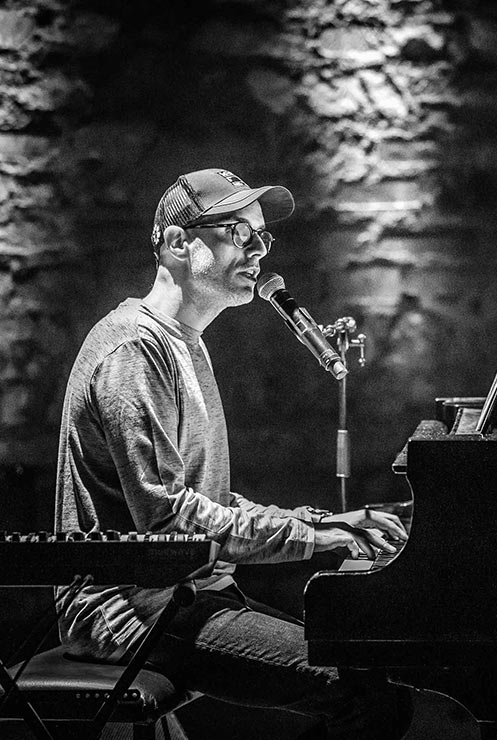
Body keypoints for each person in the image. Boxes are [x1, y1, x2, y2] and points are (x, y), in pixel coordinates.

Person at [54, 167, 412, 739]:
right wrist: (313, 537)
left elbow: (208, 501)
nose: (260, 251)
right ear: (178, 242)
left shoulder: (185, 345)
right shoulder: (133, 352)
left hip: (186, 595)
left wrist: (320, 522)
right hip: (131, 611)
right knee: (366, 695)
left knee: (370, 666)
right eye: (239, 233)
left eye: (262, 236)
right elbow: (169, 522)